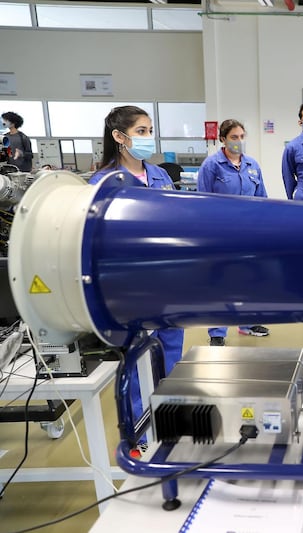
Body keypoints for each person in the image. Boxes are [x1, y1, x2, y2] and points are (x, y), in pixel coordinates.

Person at [88, 105, 184, 431]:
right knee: (138, 361)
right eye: (141, 131)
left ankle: (171, 425)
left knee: (171, 352)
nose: (148, 137)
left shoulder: (160, 176)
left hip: (168, 281)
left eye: (149, 130)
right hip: (131, 285)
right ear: (119, 136)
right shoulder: (103, 183)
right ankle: (141, 436)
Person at [197, 118, 270, 345]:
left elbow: (262, 199)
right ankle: (217, 332)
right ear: (223, 139)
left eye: (241, 137)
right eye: (233, 137)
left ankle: (247, 323)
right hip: (221, 232)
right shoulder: (212, 166)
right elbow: (202, 201)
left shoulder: (252, 165)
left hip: (249, 232)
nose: (238, 141)